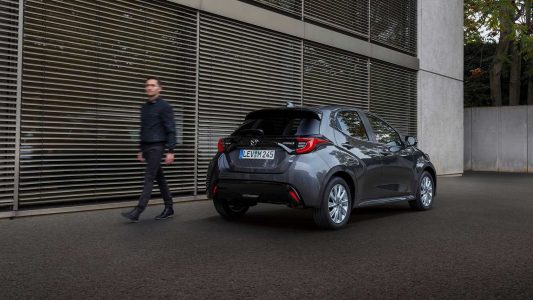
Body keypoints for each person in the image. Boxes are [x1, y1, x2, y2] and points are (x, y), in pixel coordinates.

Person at [121, 77, 176, 222]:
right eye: (147, 85)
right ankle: (169, 207)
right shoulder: (144, 107)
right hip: (146, 146)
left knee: (149, 177)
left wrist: (170, 150)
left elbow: (171, 129)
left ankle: (138, 211)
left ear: (159, 88)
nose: (149, 87)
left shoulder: (165, 106)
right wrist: (140, 149)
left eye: (153, 85)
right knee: (160, 178)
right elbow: (143, 129)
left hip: (157, 146)